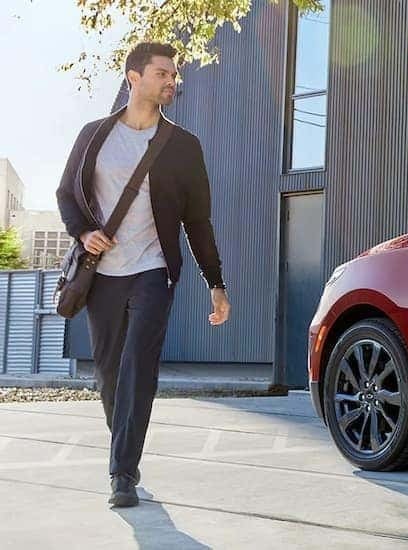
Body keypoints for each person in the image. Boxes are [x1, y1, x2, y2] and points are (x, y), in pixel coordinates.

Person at [55, 42, 232, 508]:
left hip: (153, 270)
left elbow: (198, 220)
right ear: (134, 77)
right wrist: (84, 232)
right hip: (102, 275)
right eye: (162, 73)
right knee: (110, 373)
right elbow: (66, 194)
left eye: (174, 75)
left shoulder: (183, 146)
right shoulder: (94, 135)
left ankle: (122, 473)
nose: (171, 81)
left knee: (138, 368)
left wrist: (216, 282)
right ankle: (124, 448)